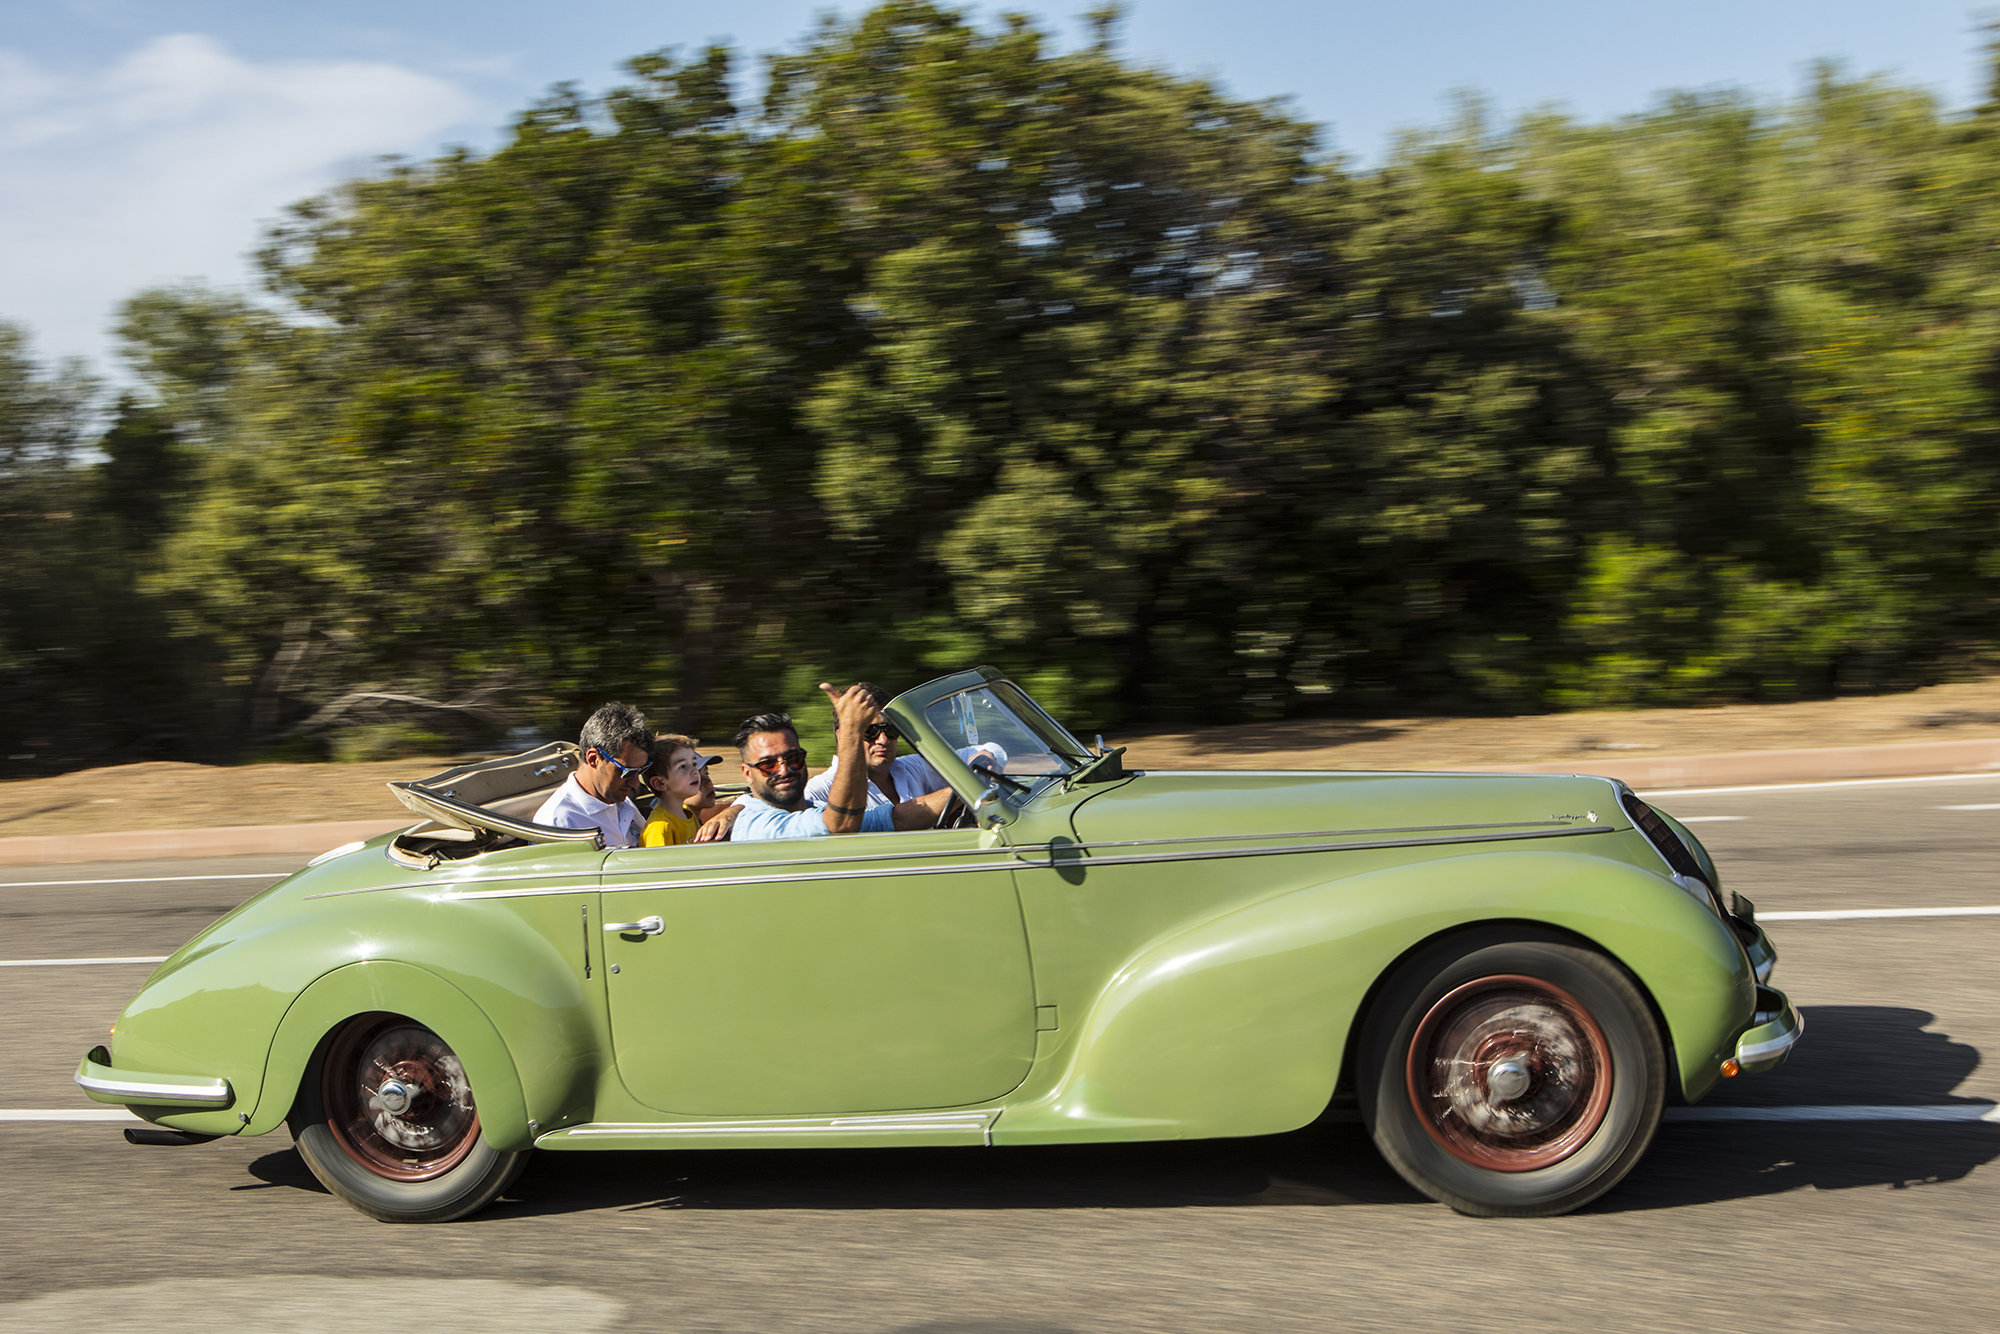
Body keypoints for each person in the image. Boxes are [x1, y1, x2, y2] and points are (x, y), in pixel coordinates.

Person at [729, 683, 955, 842]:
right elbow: (840, 824)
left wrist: (968, 790)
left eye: (793, 758)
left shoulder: (815, 808)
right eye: (768, 765)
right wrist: (851, 731)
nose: (784, 769)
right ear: (747, 773)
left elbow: (897, 818)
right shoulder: (757, 824)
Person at [803, 686, 1008, 812]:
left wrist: (984, 758)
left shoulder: (910, 767)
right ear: (843, 736)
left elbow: (992, 750)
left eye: (891, 730)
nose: (883, 740)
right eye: (870, 731)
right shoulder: (820, 790)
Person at [533, 701, 651, 849]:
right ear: (593, 759)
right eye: (627, 771)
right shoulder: (558, 824)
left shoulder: (619, 801)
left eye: (640, 771)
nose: (635, 783)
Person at [640, 732, 723, 847]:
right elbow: (658, 859)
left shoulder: (688, 813)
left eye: (694, 763)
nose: (695, 771)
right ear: (660, 783)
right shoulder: (660, 827)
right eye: (683, 766)